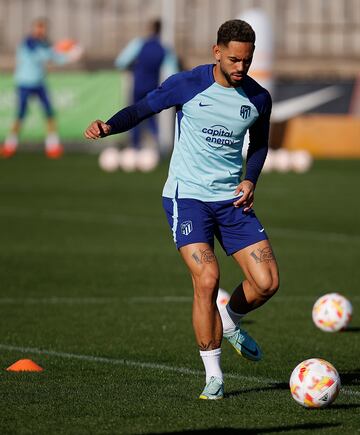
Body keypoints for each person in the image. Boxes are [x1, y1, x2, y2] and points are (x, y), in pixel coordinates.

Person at [84, 19, 279, 400]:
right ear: (217, 52)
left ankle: (228, 320)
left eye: (247, 61)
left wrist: (251, 178)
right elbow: (143, 108)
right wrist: (108, 126)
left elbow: (258, 145)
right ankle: (214, 375)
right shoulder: (187, 84)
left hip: (231, 200)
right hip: (186, 197)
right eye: (235, 59)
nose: (241, 68)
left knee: (267, 282)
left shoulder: (258, 98)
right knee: (207, 278)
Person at [1, 18, 81, 159]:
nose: (41, 31)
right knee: (20, 114)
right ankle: (9, 145)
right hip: (25, 83)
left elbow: (54, 57)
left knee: (49, 113)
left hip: (39, 83)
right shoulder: (28, 42)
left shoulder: (44, 44)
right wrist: (60, 48)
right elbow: (42, 55)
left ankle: (53, 146)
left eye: (43, 28)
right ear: (33, 29)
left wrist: (69, 57)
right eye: (38, 28)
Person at [114, 19, 178, 164]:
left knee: (134, 115)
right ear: (161, 31)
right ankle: (158, 147)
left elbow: (121, 62)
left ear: (149, 28)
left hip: (138, 85)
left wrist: (133, 66)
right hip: (153, 87)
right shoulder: (164, 48)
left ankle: (135, 148)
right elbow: (172, 70)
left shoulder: (139, 44)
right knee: (151, 119)